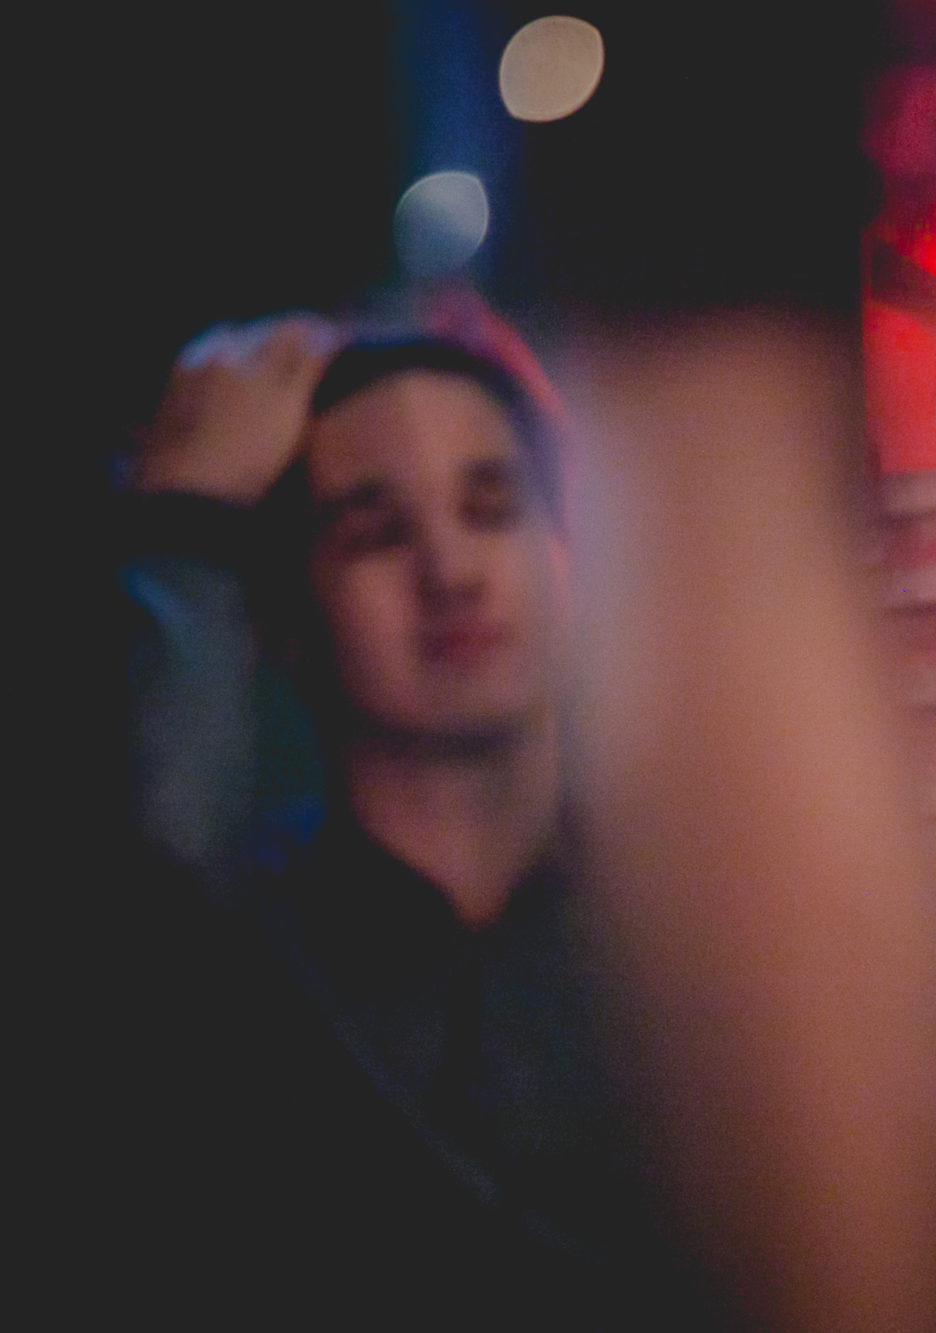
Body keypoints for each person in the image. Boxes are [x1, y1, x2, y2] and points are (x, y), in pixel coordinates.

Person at [113, 316, 665, 1318]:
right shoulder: (233, 955)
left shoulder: (694, 935)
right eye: (375, 532)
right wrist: (187, 525)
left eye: (492, 507)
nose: (451, 570)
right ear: (282, 619)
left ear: (568, 558)